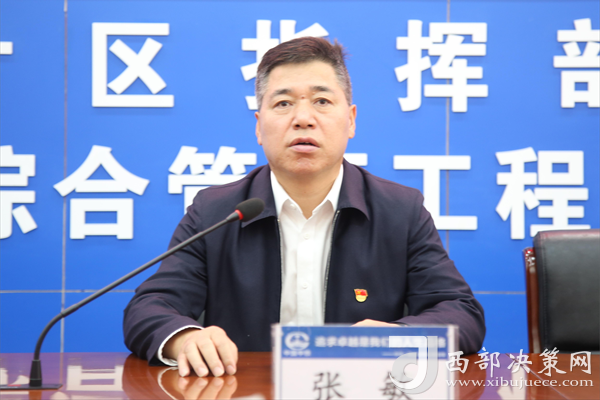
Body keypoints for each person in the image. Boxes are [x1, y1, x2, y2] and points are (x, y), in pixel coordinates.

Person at [123, 37, 485, 379]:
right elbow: (149, 307)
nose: (303, 118)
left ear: (351, 120)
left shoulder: (400, 210)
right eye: (283, 104)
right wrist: (185, 338)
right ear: (259, 127)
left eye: (322, 101)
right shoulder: (217, 212)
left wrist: (396, 338)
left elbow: (461, 313)